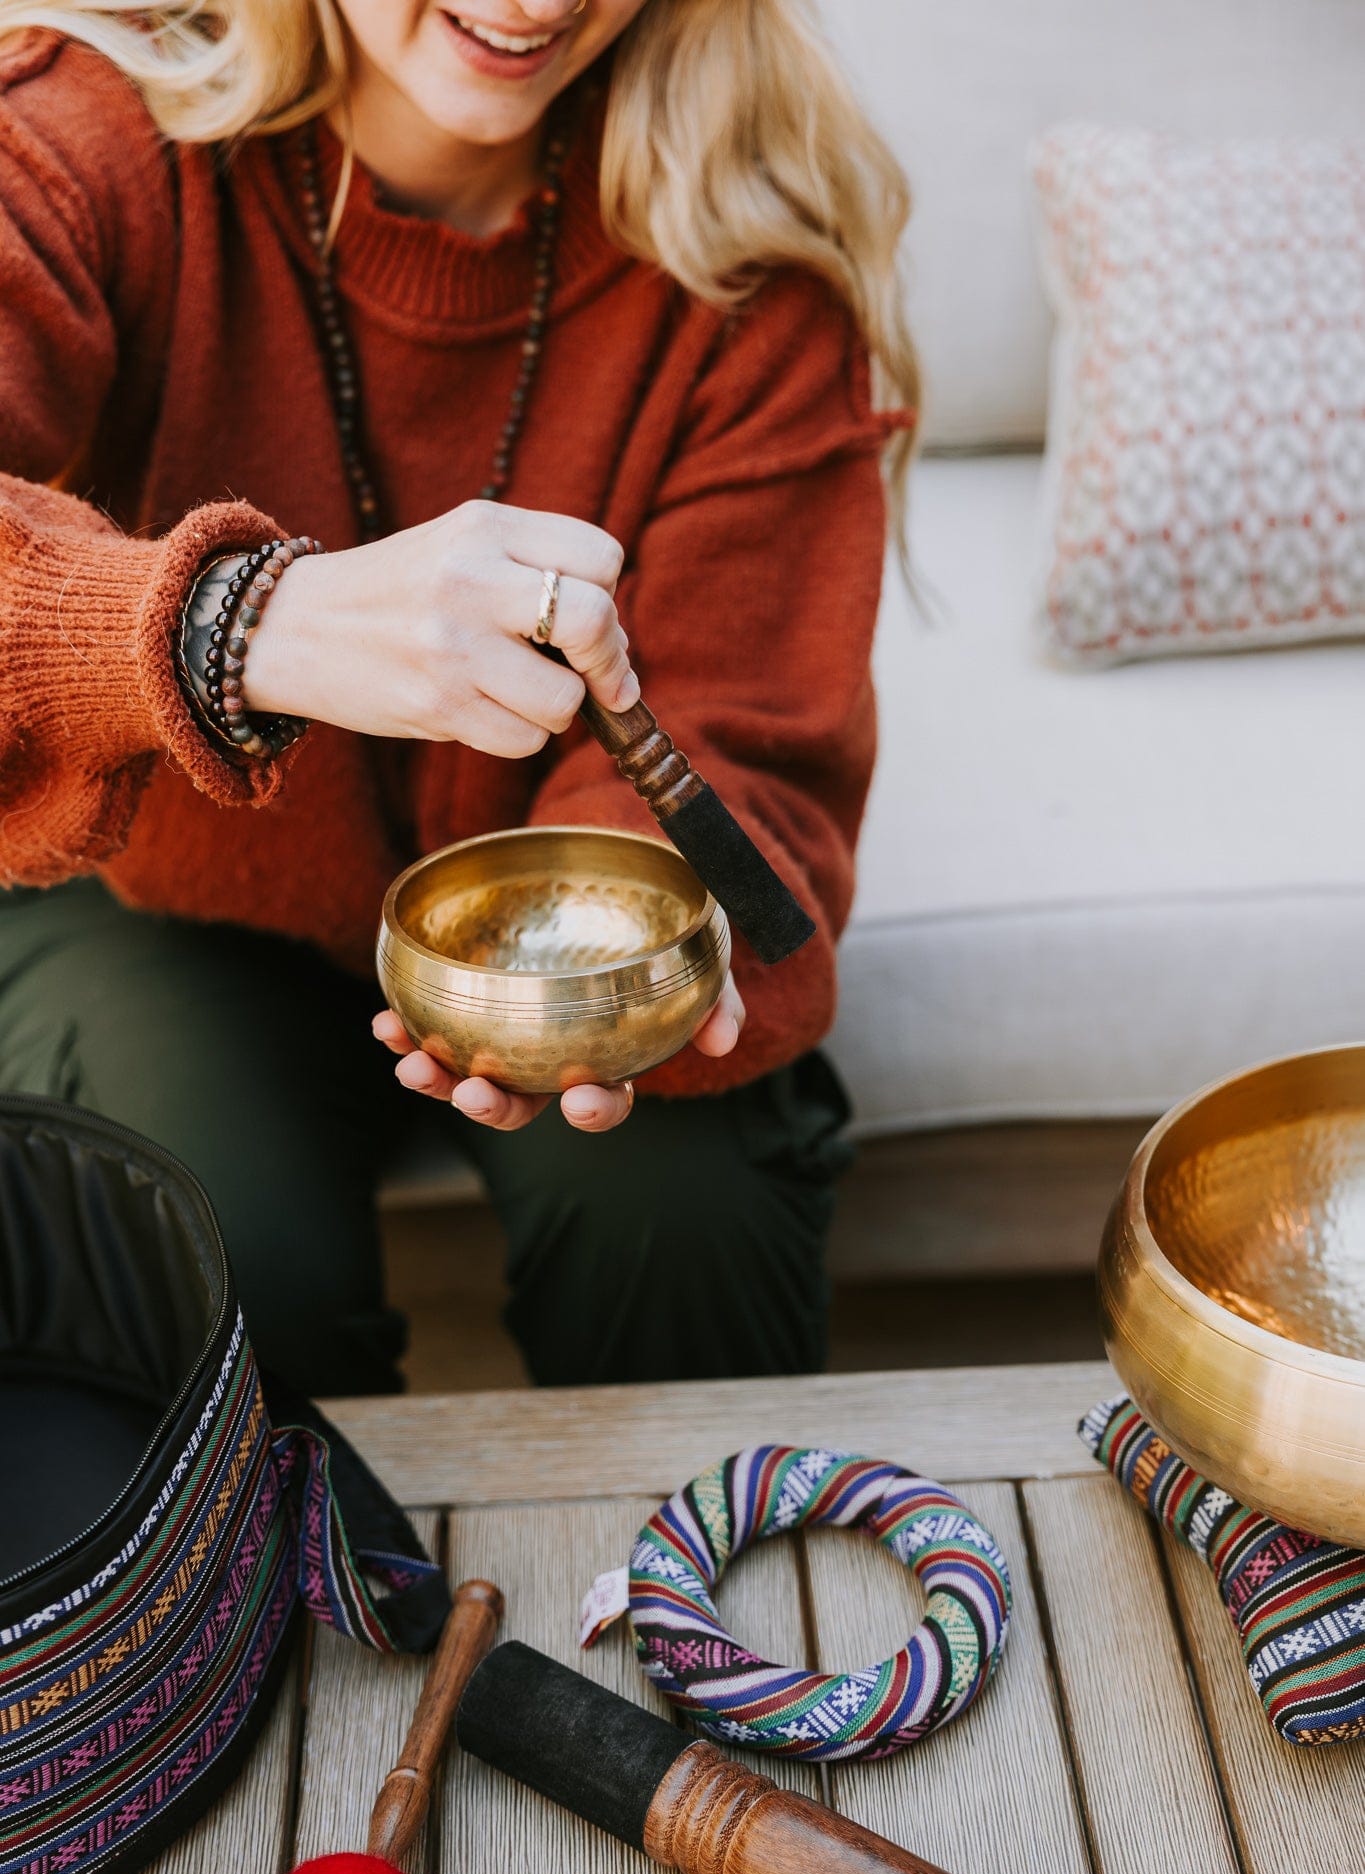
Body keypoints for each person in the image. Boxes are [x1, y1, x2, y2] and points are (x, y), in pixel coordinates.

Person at [0, 0, 916, 1394]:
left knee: (685, 1218)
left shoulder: (745, 251)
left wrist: (627, 952)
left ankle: (685, 1600)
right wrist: (228, 625)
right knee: (212, 1260)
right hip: (155, 895)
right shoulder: (84, 125)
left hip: (545, 907)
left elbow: (733, 731)